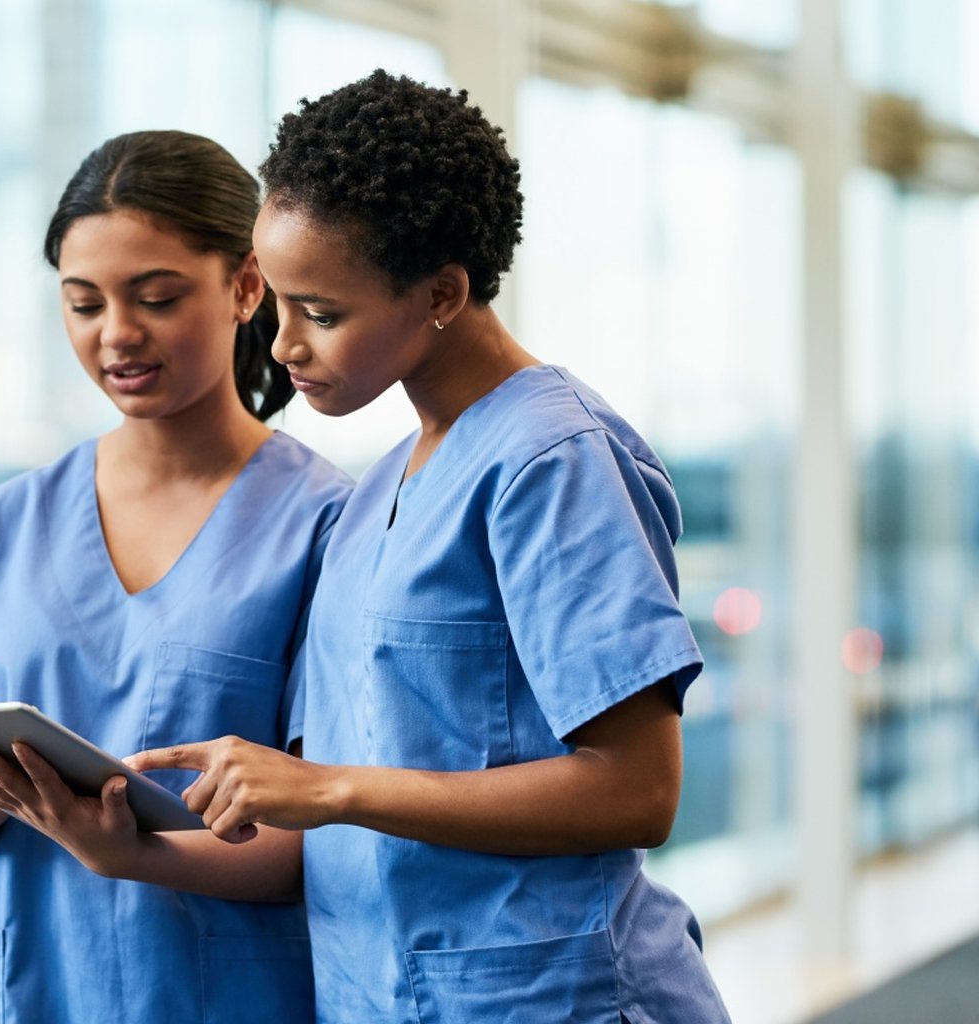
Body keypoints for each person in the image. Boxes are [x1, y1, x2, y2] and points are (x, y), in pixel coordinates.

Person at [129, 71, 733, 1023]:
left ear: (443, 292)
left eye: (322, 313)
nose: (284, 345)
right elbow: (341, 807)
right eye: (277, 304)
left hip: (547, 1000)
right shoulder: (378, 495)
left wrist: (327, 787)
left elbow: (638, 790)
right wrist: (126, 833)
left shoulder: (551, 461)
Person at [0, 130, 351, 1024]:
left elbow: (331, 831)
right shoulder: (2, 528)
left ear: (246, 286)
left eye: (157, 297)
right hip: (27, 990)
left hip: (224, 994)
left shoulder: (326, 525)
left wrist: (134, 855)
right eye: (83, 303)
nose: (117, 335)